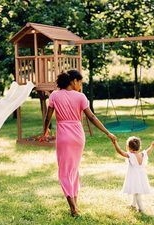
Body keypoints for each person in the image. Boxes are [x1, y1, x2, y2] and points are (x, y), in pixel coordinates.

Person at [43, 70, 117, 217]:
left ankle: (73, 208)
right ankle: (75, 204)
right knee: (74, 170)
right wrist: (107, 132)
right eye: (80, 82)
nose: (80, 86)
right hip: (78, 136)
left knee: (64, 172)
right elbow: (92, 117)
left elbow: (48, 117)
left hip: (64, 137)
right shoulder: (81, 97)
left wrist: (44, 131)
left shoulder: (54, 95)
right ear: (74, 81)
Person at [112, 136, 154, 213]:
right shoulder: (142, 154)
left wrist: (115, 143)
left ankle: (141, 209)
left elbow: (120, 152)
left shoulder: (130, 155)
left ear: (128, 147)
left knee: (137, 192)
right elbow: (148, 151)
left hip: (134, 177)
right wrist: (152, 146)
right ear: (139, 147)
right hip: (141, 176)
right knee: (135, 190)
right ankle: (133, 204)